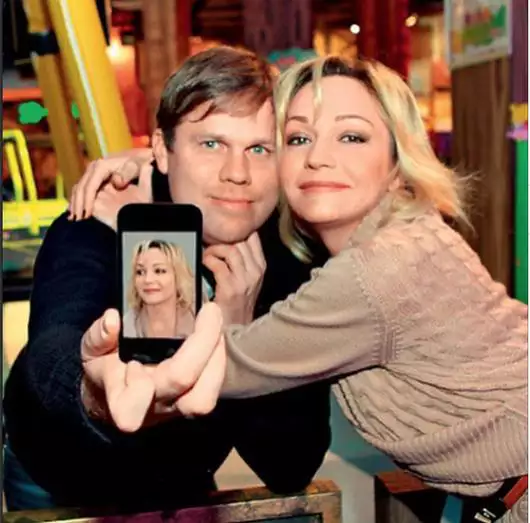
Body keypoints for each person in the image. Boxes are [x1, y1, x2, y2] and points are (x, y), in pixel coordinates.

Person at [78, 55, 528, 522]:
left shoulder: (379, 269)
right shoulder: (403, 235)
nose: (318, 157)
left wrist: (144, 203)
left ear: (398, 163)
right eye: (297, 138)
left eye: (351, 137)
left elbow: (200, 375)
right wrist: (165, 164)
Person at [2, 46, 332, 512]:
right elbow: (54, 345)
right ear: (162, 149)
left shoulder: (283, 257)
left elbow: (291, 464)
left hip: (183, 480)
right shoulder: (103, 219)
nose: (237, 174)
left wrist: (240, 339)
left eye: (259, 149)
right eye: (211, 144)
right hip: (61, 482)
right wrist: (95, 390)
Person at [124, 240, 196, 339]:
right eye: (140, 272)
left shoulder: (200, 315)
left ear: (178, 276)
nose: (148, 280)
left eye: (159, 271)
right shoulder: (127, 325)